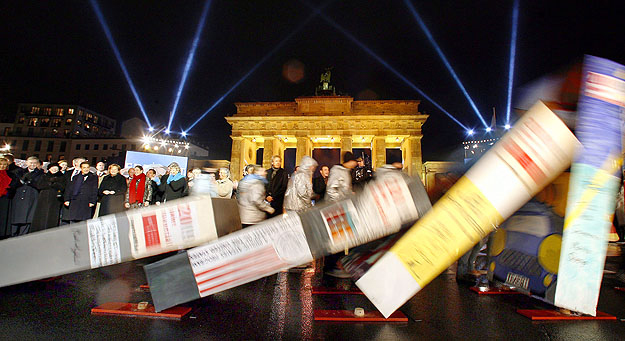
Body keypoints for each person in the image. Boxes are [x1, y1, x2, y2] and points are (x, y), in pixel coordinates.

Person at [324, 151, 358, 278]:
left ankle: (333, 266)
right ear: (349, 161)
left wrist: (350, 195)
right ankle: (330, 267)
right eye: (354, 161)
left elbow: (344, 190)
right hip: (335, 209)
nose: (356, 164)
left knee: (341, 237)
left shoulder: (346, 172)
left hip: (342, 208)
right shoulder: (338, 171)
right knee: (337, 238)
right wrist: (338, 204)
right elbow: (332, 189)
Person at [10, 156, 43, 236]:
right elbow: (12, 184)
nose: (32, 164)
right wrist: (20, 181)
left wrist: (31, 182)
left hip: (31, 197)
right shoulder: (19, 172)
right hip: (19, 196)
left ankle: (23, 235)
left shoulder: (40, 174)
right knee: (15, 217)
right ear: (26, 163)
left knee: (27, 217)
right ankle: (13, 234)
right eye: (31, 162)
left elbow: (40, 185)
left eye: (35, 163)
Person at [31, 163, 65, 231]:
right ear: (49, 169)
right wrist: (50, 183)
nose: (54, 170)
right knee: (41, 214)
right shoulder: (44, 176)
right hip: (43, 197)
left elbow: (62, 187)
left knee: (52, 215)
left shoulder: (62, 177)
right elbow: (39, 185)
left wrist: (55, 184)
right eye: (53, 168)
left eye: (56, 168)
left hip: (55, 198)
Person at [61, 157, 86, 225]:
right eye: (81, 162)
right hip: (67, 199)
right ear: (75, 163)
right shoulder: (68, 173)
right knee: (65, 220)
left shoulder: (87, 174)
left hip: (78, 200)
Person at [0, 157, 19, 239]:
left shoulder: (11, 174)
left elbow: (14, 184)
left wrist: (8, 190)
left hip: (5, 198)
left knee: (3, 216)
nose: (2, 166)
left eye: (5, 165)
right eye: (1, 164)